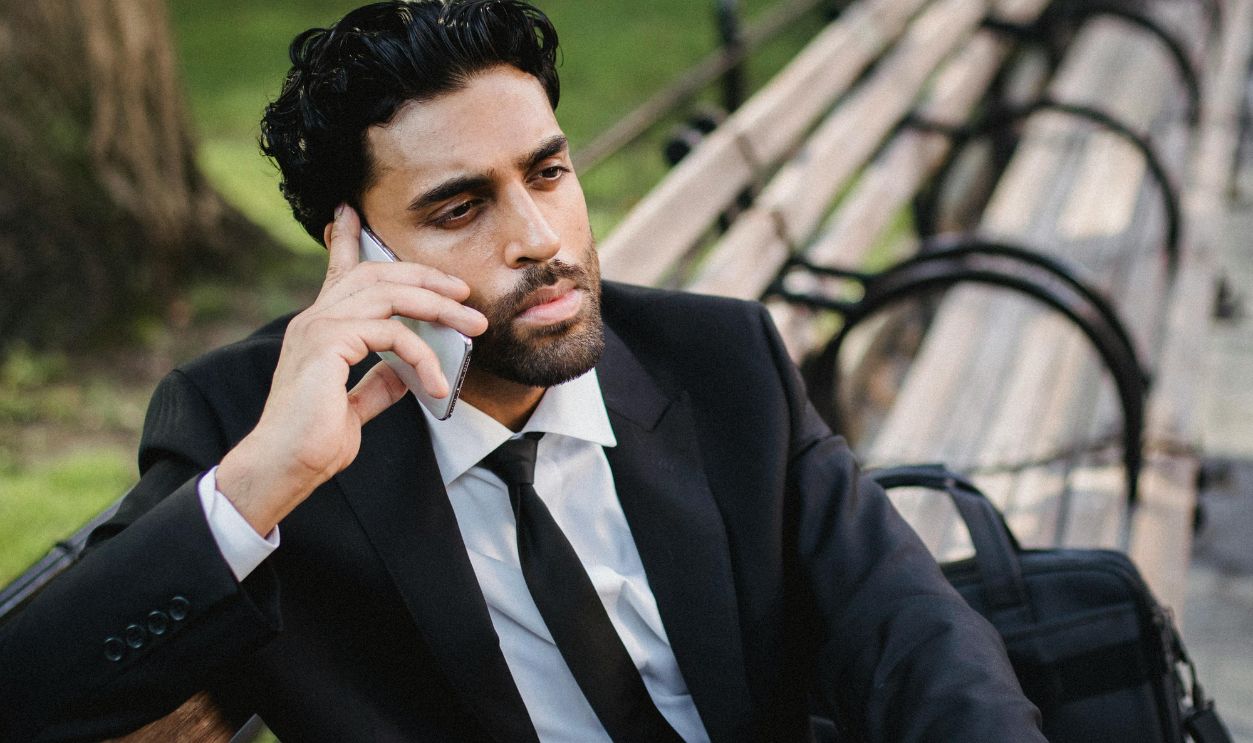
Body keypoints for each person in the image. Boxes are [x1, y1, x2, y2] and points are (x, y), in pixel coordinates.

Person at [0, 2, 1046, 741]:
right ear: (356, 250)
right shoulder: (251, 424)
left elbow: (912, 633)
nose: (539, 235)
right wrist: (264, 479)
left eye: (548, 173)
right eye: (460, 208)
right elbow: (29, 692)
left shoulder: (723, 361)